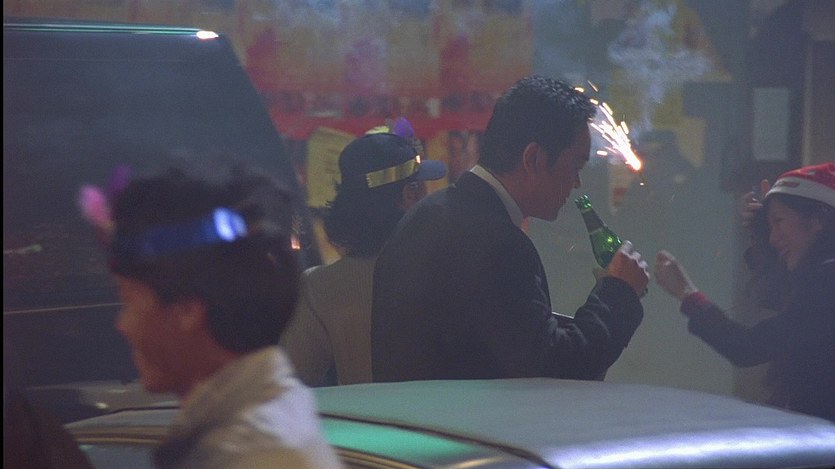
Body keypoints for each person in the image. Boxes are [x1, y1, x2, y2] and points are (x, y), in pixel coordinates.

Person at [370, 75, 650, 382]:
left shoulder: (430, 214)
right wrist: (618, 293)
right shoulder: (499, 245)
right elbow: (553, 369)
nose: (577, 182)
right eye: (576, 166)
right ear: (534, 158)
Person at [80, 164, 342, 468]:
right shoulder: (260, 426)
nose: (122, 325)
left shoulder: (255, 456)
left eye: (129, 299)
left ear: (188, 310)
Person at [654, 162, 835, 422]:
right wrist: (761, 229)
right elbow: (777, 293)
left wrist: (687, 293)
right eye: (770, 227)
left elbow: (746, 347)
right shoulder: (819, 277)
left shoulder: (827, 282)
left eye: (779, 221)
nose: (773, 238)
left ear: (818, 220)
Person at [280, 131, 447, 386]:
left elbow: (290, 382)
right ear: (409, 195)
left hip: (363, 413)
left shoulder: (320, 287)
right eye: (421, 187)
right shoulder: (451, 271)